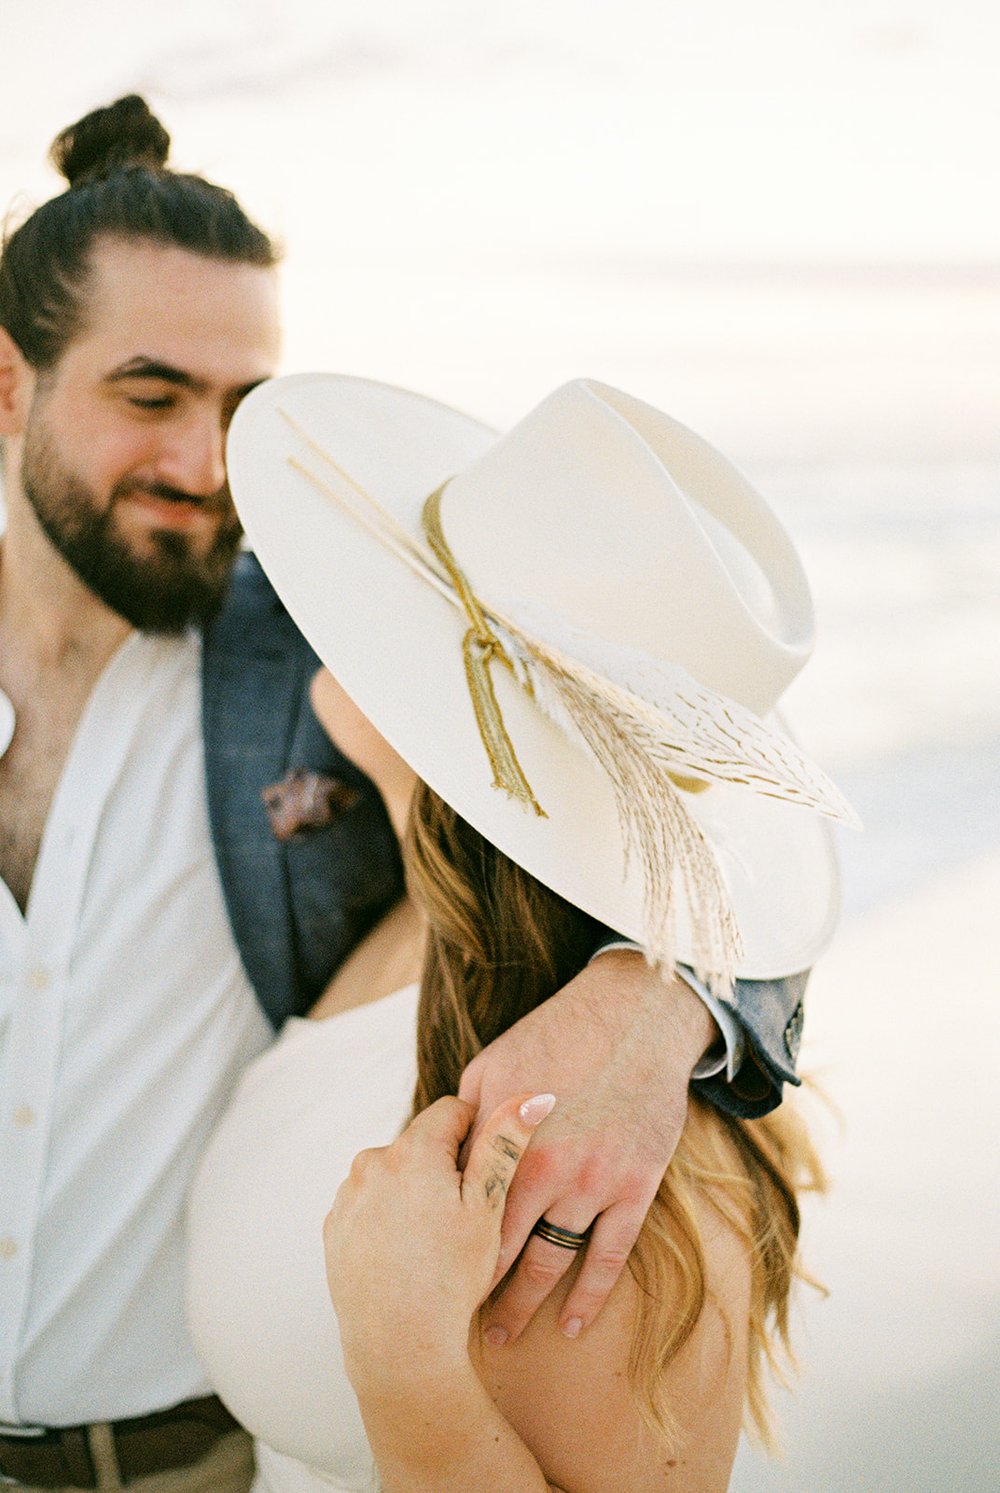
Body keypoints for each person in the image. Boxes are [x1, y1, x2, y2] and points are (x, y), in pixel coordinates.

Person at [0, 96, 814, 1492]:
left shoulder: (320, 649)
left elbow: (719, 797)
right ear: (10, 385)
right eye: (151, 398)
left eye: (243, 407)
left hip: (173, 1462)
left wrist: (653, 1000)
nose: (207, 468)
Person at [186, 372, 850, 1492]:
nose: (322, 600)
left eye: (392, 581)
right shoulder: (417, 926)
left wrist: (409, 1367)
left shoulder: (596, 1148)